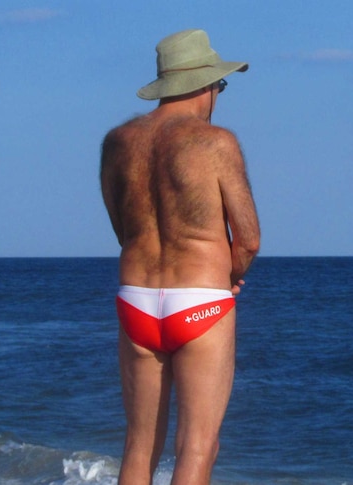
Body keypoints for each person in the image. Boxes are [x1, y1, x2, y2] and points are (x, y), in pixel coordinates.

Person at [100, 29, 260, 485]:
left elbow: (123, 230)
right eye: (220, 87)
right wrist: (230, 276)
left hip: (136, 301)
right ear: (206, 85)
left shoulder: (117, 142)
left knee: (138, 447)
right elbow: (248, 239)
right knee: (197, 448)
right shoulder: (216, 143)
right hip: (201, 301)